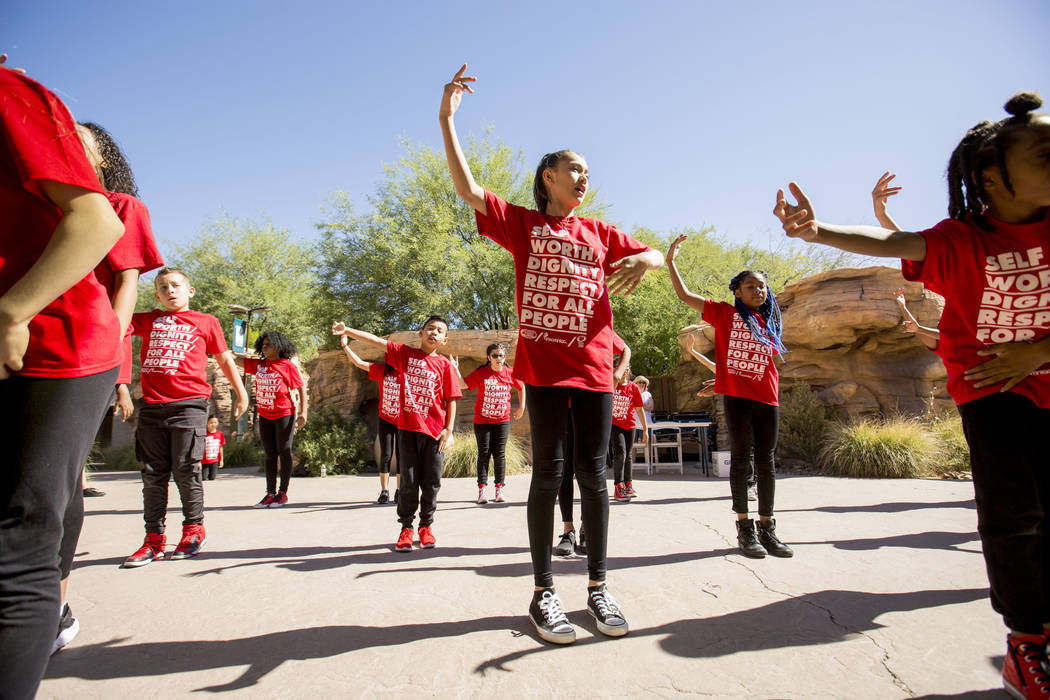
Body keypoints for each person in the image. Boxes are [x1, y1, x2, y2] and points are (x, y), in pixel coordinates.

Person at [773, 92, 1050, 698]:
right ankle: (1028, 640)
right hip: (992, 393)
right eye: (1044, 154)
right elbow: (891, 243)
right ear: (991, 178)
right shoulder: (961, 239)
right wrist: (818, 231)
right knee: (1014, 515)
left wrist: (1037, 352)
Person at [440, 64, 663, 644]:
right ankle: (543, 593)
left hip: (594, 375)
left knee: (595, 476)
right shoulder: (521, 225)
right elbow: (468, 189)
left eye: (588, 171)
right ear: (548, 177)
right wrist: (446, 120)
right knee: (548, 475)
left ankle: (598, 587)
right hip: (543, 372)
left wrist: (646, 258)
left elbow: (658, 254)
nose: (584, 177)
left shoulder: (600, 233)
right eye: (575, 169)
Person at [0, 61, 126, 699]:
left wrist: (13, 312)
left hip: (58, 345)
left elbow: (117, 268)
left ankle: (53, 607)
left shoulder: (12, 95)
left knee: (21, 532)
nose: (81, 145)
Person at [52, 120, 164, 655]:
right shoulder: (38, 204)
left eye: (83, 140)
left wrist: (111, 361)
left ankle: (53, 605)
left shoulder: (120, 207)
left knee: (50, 486)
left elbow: (126, 284)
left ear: (105, 159)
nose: (69, 144)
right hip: (25, 342)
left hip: (80, 352)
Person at [666, 236, 794, 559]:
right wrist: (671, 262)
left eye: (762, 286)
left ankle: (768, 528)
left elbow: (754, 362)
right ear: (737, 291)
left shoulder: (769, 321)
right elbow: (685, 295)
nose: (758, 291)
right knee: (741, 458)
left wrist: (721, 378)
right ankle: (745, 528)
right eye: (751, 286)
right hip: (738, 399)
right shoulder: (724, 314)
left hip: (767, 397)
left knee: (766, 461)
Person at [123, 269, 248, 567]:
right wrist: (121, 386)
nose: (170, 290)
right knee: (152, 473)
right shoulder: (147, 320)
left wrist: (241, 393)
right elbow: (116, 326)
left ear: (190, 291)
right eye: (163, 287)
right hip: (152, 406)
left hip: (189, 405)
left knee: (185, 469)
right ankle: (153, 540)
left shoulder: (206, 321)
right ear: (156, 295)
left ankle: (194, 530)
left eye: (176, 285)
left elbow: (224, 358)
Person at [333, 316, 460, 551]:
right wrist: (347, 330)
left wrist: (448, 429)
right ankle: (406, 528)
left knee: (432, 482)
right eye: (430, 328)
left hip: (434, 434)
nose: (434, 332)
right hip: (408, 430)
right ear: (421, 333)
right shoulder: (405, 355)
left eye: (440, 330)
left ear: (445, 339)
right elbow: (376, 341)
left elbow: (451, 398)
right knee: (408, 482)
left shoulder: (445, 366)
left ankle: (426, 527)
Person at [554, 340, 630, 558]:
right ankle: (568, 530)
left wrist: (617, 374)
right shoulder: (560, 325)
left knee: (588, 470)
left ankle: (586, 528)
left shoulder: (595, 323)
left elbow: (625, 349)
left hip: (591, 403)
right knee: (565, 470)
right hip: (563, 405)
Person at [451, 342, 525, 504]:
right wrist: (456, 370)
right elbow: (463, 385)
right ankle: (482, 491)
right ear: (488, 357)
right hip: (482, 421)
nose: (498, 358)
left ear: (505, 357)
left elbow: (521, 386)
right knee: (484, 454)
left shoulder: (510, 373)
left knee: (500, 454)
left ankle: (499, 490)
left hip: (502, 421)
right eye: (495, 355)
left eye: (501, 355)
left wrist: (522, 406)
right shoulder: (482, 373)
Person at [686, 334, 757, 500]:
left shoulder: (749, 369)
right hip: (737, 414)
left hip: (754, 411)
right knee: (744, 449)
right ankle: (748, 485)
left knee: (753, 450)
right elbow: (709, 364)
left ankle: (753, 484)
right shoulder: (727, 371)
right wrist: (693, 351)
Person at [242, 331, 307, 508]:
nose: (264, 347)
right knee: (270, 454)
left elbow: (300, 388)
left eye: (268, 344)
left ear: (278, 346)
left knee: (284, 451)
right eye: (262, 345)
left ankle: (282, 493)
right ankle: (270, 493)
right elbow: (236, 361)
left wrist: (303, 413)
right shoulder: (259, 365)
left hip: (284, 414)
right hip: (265, 415)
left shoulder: (287, 366)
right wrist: (227, 353)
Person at [340, 334, 401, 504]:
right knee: (386, 455)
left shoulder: (407, 374)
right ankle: (384, 491)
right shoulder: (382, 371)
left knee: (401, 456)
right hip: (386, 418)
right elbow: (359, 363)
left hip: (403, 421)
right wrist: (345, 346)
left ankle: (399, 490)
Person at [610, 367, 648, 501]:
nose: (624, 370)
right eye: (622, 367)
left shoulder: (633, 387)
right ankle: (618, 486)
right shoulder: (611, 385)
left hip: (630, 425)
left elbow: (639, 409)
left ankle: (628, 484)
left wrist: (645, 429)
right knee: (620, 453)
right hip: (615, 424)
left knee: (628, 455)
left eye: (627, 368)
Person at [202, 415, 225, 480]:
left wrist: (221, 460)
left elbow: (221, 448)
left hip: (214, 459)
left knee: (212, 478)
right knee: (203, 478)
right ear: (207, 423)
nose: (213, 424)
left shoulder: (220, 434)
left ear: (217, 423)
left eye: (215, 422)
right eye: (211, 423)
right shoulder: (204, 434)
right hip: (204, 460)